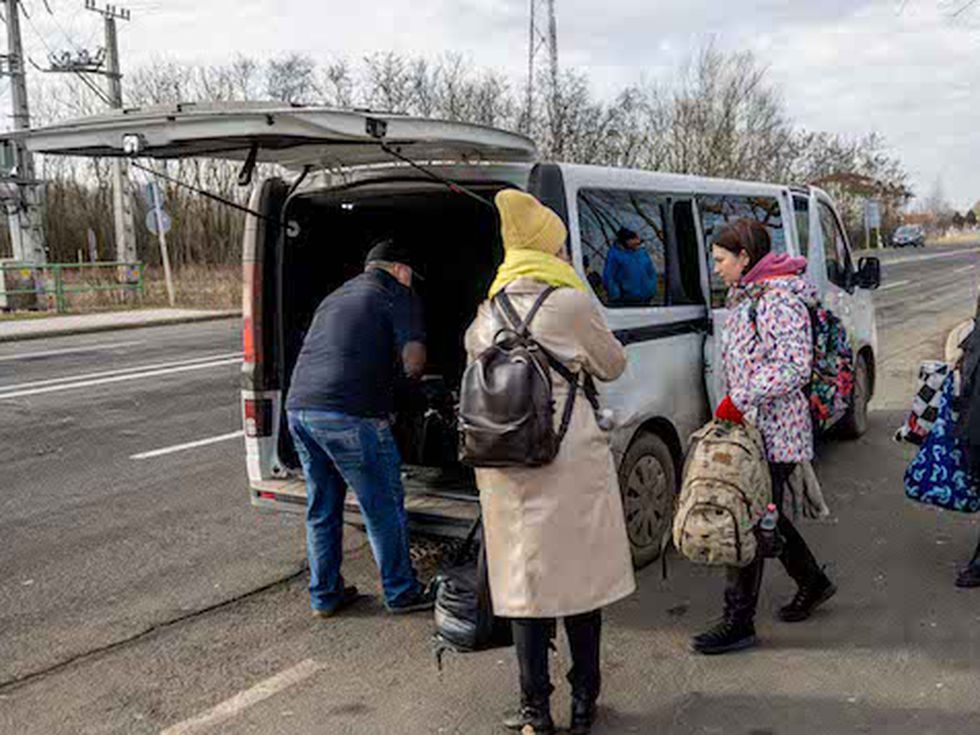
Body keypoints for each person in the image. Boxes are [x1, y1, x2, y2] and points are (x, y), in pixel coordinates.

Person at [465, 190, 635, 735]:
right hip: (567, 459)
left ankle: (534, 709)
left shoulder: (488, 311)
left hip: (506, 463)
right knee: (579, 581)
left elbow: (476, 359)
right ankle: (584, 703)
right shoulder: (573, 303)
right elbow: (612, 364)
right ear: (548, 247)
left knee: (525, 586)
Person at [694, 218, 836, 655]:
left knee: (750, 517)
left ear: (744, 258)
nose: (715, 269)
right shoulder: (749, 295)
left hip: (775, 433)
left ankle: (738, 622)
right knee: (763, 513)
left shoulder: (777, 300)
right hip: (753, 428)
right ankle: (813, 581)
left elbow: (794, 364)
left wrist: (740, 397)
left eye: (720, 260)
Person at [285, 238, 433, 617]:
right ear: (400, 270)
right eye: (410, 276)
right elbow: (413, 362)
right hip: (349, 415)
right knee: (383, 505)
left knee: (322, 507)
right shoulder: (397, 293)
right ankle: (401, 592)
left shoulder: (336, 296)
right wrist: (411, 394)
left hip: (300, 410)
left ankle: (325, 595)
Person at [601, 226, 658, 306]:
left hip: (646, 299)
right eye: (634, 240)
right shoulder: (614, 255)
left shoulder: (642, 253)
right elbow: (609, 277)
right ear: (626, 241)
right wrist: (616, 296)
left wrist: (652, 289)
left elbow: (651, 272)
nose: (637, 242)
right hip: (626, 301)